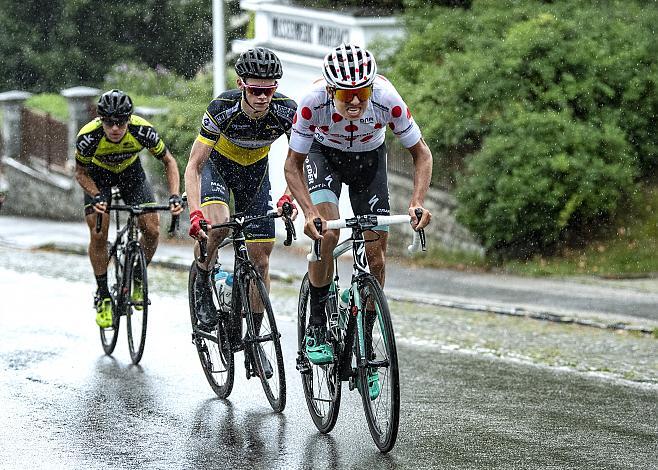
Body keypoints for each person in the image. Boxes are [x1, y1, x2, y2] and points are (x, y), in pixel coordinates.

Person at [284, 43, 433, 368]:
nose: (354, 102)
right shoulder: (312, 104)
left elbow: (421, 153)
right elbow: (292, 165)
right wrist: (309, 212)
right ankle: (317, 324)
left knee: (377, 256)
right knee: (327, 231)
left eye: (361, 93)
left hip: (369, 161)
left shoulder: (387, 100)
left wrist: (417, 201)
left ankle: (364, 347)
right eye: (345, 94)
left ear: (371, 87)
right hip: (325, 158)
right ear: (330, 89)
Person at [184, 47, 297, 332]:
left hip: (255, 175)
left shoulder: (287, 111)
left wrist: (288, 196)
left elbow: (301, 163)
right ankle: (202, 279)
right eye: (255, 90)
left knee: (261, 260)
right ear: (241, 85)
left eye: (268, 91)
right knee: (218, 226)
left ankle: (255, 338)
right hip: (218, 168)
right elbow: (194, 165)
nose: (262, 97)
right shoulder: (222, 108)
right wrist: (196, 213)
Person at [75, 89, 183, 328]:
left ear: (129, 119)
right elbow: (80, 173)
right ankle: (103, 295)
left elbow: (169, 161)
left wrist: (175, 195)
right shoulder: (88, 137)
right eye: (109, 123)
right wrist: (95, 195)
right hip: (98, 177)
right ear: (101, 121)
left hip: (131, 175)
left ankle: (136, 274)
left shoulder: (142, 130)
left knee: (153, 230)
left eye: (121, 122)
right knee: (98, 232)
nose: (115, 128)